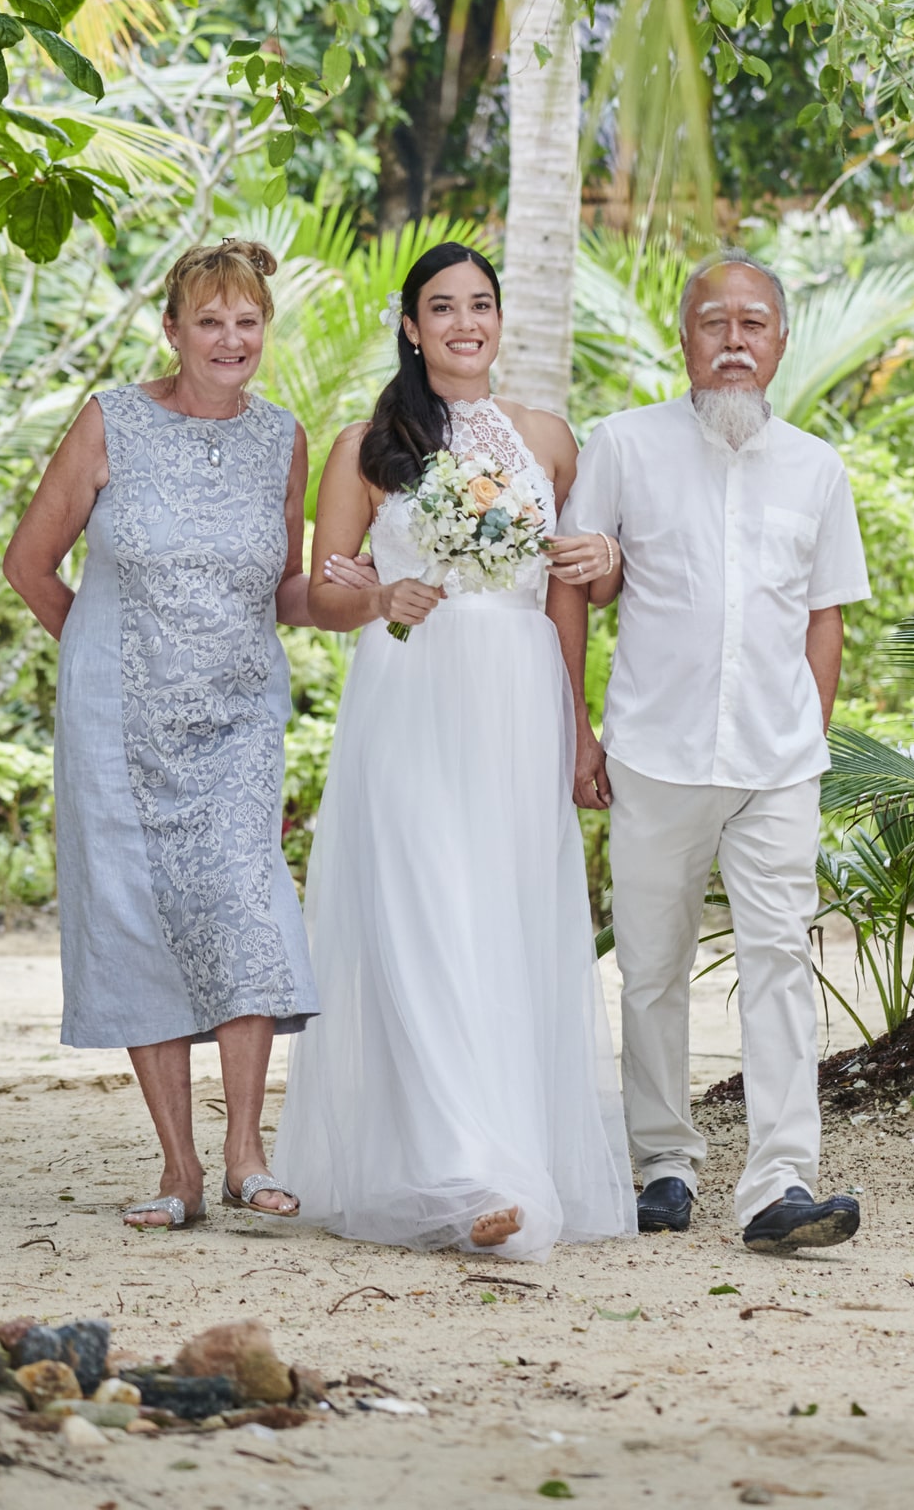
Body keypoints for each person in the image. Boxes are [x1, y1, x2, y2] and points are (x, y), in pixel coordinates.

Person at [273, 240, 635, 1260]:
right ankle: (466, 1171)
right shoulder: (366, 444)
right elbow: (320, 594)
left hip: (518, 701)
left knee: (506, 924)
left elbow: (574, 596)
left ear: (499, 319)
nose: (465, 322)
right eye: (443, 306)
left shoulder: (549, 440)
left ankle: (512, 1148)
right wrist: (380, 596)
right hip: (412, 698)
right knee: (421, 915)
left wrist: (578, 724)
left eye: (481, 304)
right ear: (410, 324)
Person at [559, 249, 872, 1253]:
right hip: (655, 750)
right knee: (650, 964)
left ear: (779, 339)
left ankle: (781, 1181)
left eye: (753, 324)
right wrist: (580, 731)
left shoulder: (819, 469)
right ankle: (662, 1162)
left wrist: (808, 736)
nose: (733, 342)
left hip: (778, 764)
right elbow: (575, 585)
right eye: (714, 322)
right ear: (683, 335)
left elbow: (825, 618)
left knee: (782, 961)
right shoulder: (622, 445)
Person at [2, 238, 316, 1228]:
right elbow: (30, 563)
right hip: (118, 723)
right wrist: (107, 656)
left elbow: (285, 584)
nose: (231, 339)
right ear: (173, 329)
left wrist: (363, 589)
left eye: (248, 321)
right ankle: (179, 1170)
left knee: (245, 905)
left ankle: (246, 1153)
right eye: (210, 321)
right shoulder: (112, 421)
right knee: (138, 918)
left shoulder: (284, 439)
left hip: (239, 719)